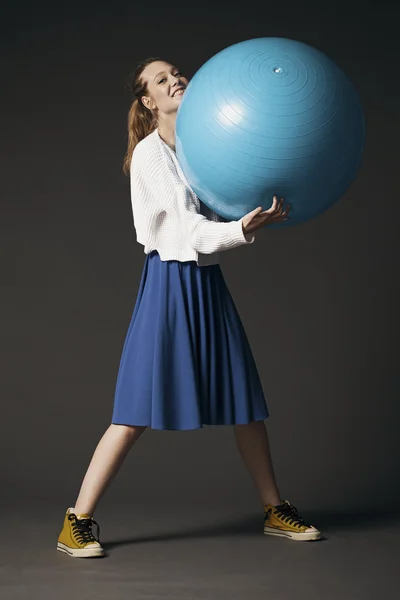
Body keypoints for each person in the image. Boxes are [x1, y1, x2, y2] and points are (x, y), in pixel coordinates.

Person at [56, 57, 321, 558]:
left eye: (177, 71)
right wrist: (242, 228)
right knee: (133, 411)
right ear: (148, 101)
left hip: (205, 280)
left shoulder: (203, 149)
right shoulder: (152, 156)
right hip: (169, 280)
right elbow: (186, 231)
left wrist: (258, 201)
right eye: (161, 79)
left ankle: (274, 509)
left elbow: (220, 203)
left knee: (245, 401)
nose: (175, 78)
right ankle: (77, 520)